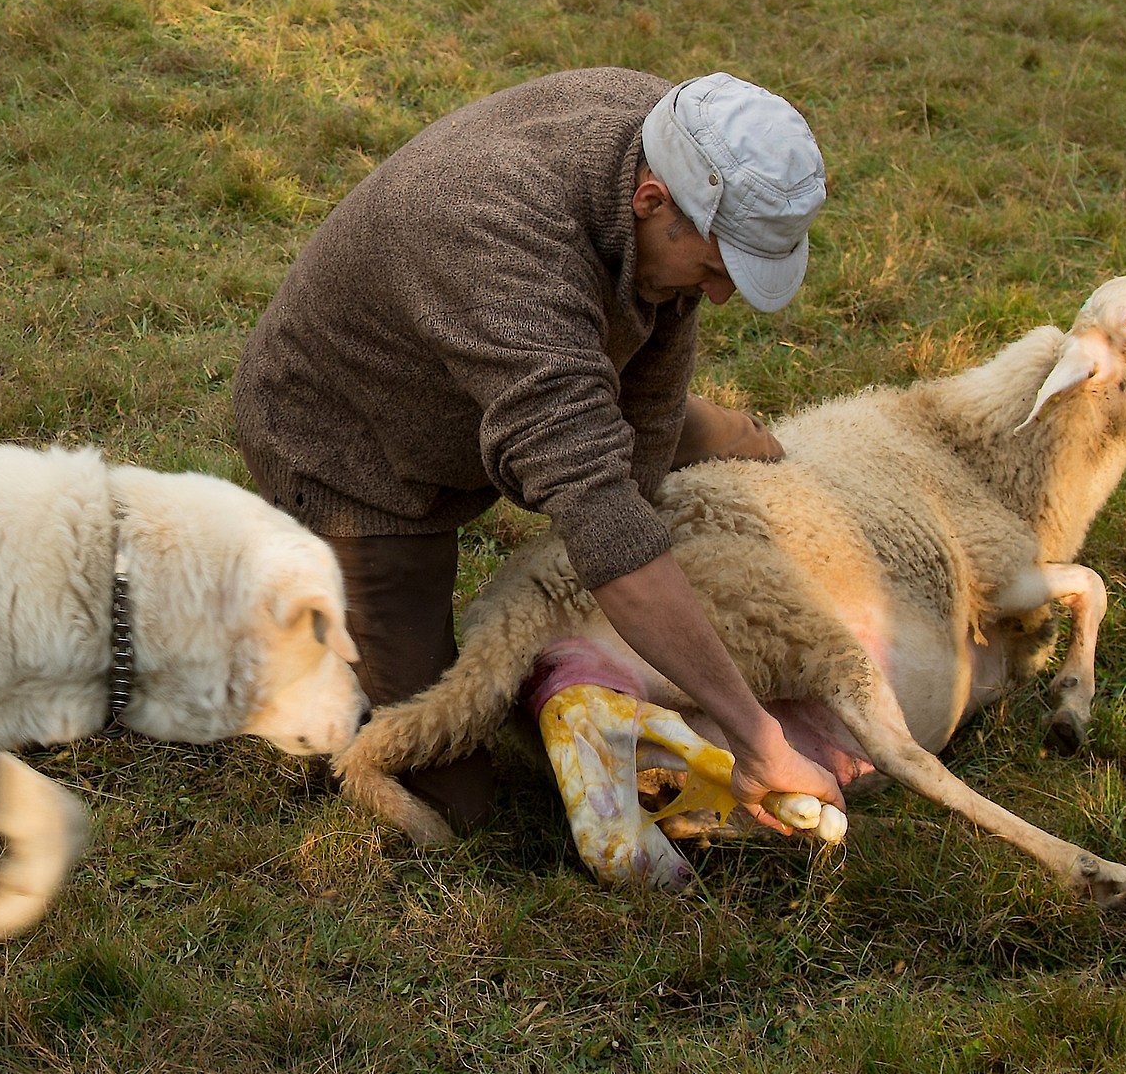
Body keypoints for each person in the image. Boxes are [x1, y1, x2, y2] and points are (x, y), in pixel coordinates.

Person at [234, 67, 844, 835]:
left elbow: (658, 332)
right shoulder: (499, 243)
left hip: (543, 361)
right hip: (356, 453)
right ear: (651, 202)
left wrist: (648, 497)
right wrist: (755, 736)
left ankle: (698, 470)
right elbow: (600, 517)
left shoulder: (668, 134)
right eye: (717, 271)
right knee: (453, 803)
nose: (721, 298)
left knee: (738, 454)